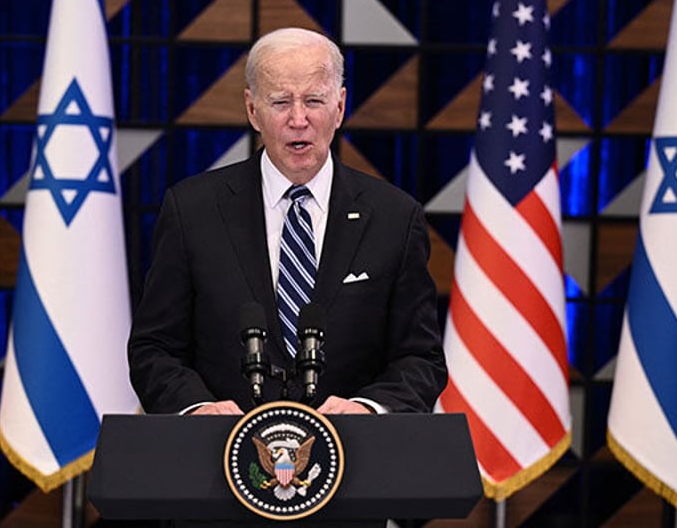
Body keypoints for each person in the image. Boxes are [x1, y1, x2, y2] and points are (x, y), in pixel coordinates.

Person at [128, 27, 446, 417]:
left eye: (314, 100)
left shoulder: (395, 218)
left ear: (340, 107)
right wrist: (197, 409)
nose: (299, 119)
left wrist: (367, 409)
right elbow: (154, 348)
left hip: (352, 461)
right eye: (281, 102)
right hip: (220, 457)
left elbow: (420, 357)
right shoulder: (191, 210)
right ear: (252, 110)